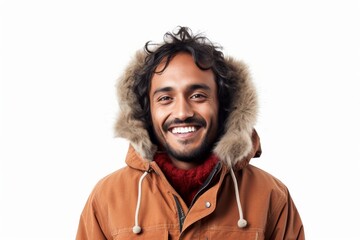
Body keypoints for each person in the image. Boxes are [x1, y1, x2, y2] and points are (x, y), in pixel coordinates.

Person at [76, 26, 305, 239]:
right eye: (165, 99)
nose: (183, 112)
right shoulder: (107, 198)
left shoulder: (270, 195)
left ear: (224, 105)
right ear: (146, 111)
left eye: (198, 96)